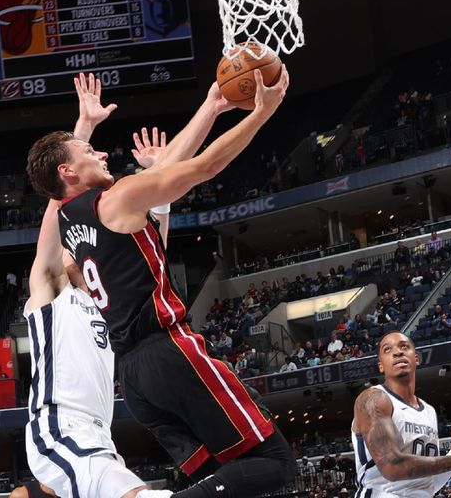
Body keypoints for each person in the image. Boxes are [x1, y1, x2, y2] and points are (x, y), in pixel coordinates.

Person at [26, 69, 294, 497]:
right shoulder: (114, 200)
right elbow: (203, 167)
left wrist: (212, 107)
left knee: (217, 477)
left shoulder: (71, 223)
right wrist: (262, 112)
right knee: (275, 463)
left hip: (133, 380)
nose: (102, 155)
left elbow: (162, 173)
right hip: (169, 351)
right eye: (89, 151)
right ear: (68, 170)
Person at [22, 78, 165, 498]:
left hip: (99, 436)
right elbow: (57, 209)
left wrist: (159, 192)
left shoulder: (105, 300)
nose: (74, 250)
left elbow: (152, 261)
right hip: (59, 426)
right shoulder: (51, 295)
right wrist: (82, 130)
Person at [351, 332, 451, 497]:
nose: (397, 352)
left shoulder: (429, 411)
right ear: (381, 366)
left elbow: (428, 484)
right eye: (387, 349)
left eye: (404, 347)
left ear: (416, 358)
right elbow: (392, 466)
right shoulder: (373, 399)